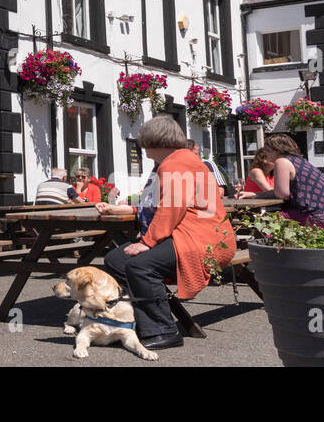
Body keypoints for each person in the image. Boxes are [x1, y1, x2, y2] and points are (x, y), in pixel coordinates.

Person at [99, 115, 236, 351]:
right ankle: (145, 321)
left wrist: (148, 242)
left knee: (139, 266)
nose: (145, 151)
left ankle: (164, 330)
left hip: (200, 239)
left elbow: (174, 205)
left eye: (145, 144)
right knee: (116, 260)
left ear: (153, 142)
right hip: (204, 235)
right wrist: (127, 210)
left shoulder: (175, 163)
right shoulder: (184, 159)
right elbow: (162, 204)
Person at [238, 135, 324, 226]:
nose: (265, 153)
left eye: (267, 150)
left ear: (278, 150)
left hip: (314, 216)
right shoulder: (300, 161)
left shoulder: (282, 161)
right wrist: (255, 195)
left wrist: (257, 195)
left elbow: (282, 194)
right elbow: (283, 192)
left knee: (264, 224)